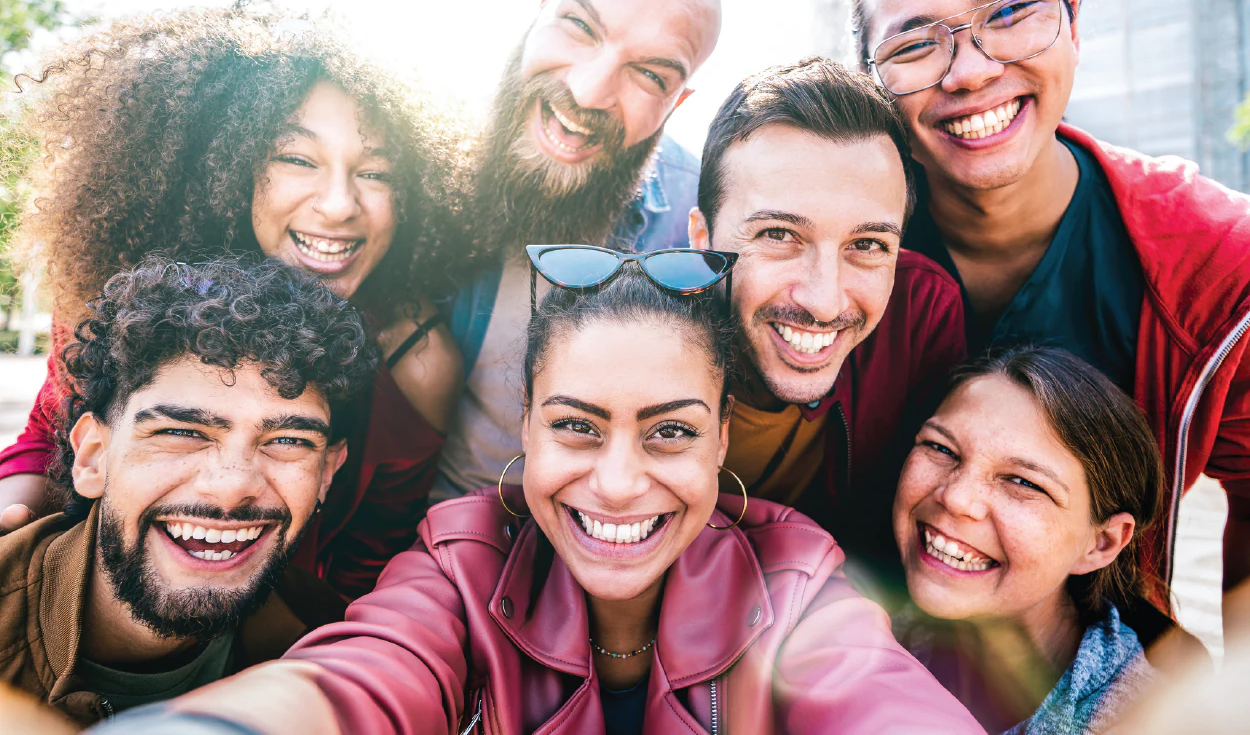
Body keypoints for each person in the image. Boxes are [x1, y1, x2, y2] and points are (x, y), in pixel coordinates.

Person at [89, 263, 986, 735]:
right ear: (525, 428)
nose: (620, 480)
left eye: (671, 432)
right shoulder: (460, 562)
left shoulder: (794, 575)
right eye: (577, 426)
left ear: (721, 439)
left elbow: (877, 699)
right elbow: (360, 680)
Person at [850, 0, 1250, 626]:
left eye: (1010, 11)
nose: (969, 71)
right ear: (874, 85)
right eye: (914, 45)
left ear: (1073, 18)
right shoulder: (826, 259)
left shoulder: (1217, 267)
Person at [0, 0, 466, 597]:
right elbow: (48, 435)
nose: (340, 204)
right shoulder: (125, 295)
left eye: (377, 172)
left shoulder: (416, 361)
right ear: (225, 166)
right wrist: (14, 519)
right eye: (297, 159)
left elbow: (368, 568)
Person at [0, 256, 376, 725]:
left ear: (325, 474)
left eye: (287, 441)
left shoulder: (336, 647)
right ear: (92, 456)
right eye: (182, 432)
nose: (232, 487)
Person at [435, 0, 722, 502]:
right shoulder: (414, 166)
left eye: (650, 75)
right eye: (580, 26)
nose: (589, 91)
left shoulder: (704, 234)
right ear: (542, 8)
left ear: (677, 104)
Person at [688, 57, 965, 587]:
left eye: (867, 245)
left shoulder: (919, 312)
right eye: (777, 235)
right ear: (701, 240)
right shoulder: (635, 343)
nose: (823, 300)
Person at [892, 346, 1172, 732]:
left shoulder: (1147, 721)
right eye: (941, 448)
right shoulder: (856, 629)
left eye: (1022, 482)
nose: (955, 498)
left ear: (1102, 543)